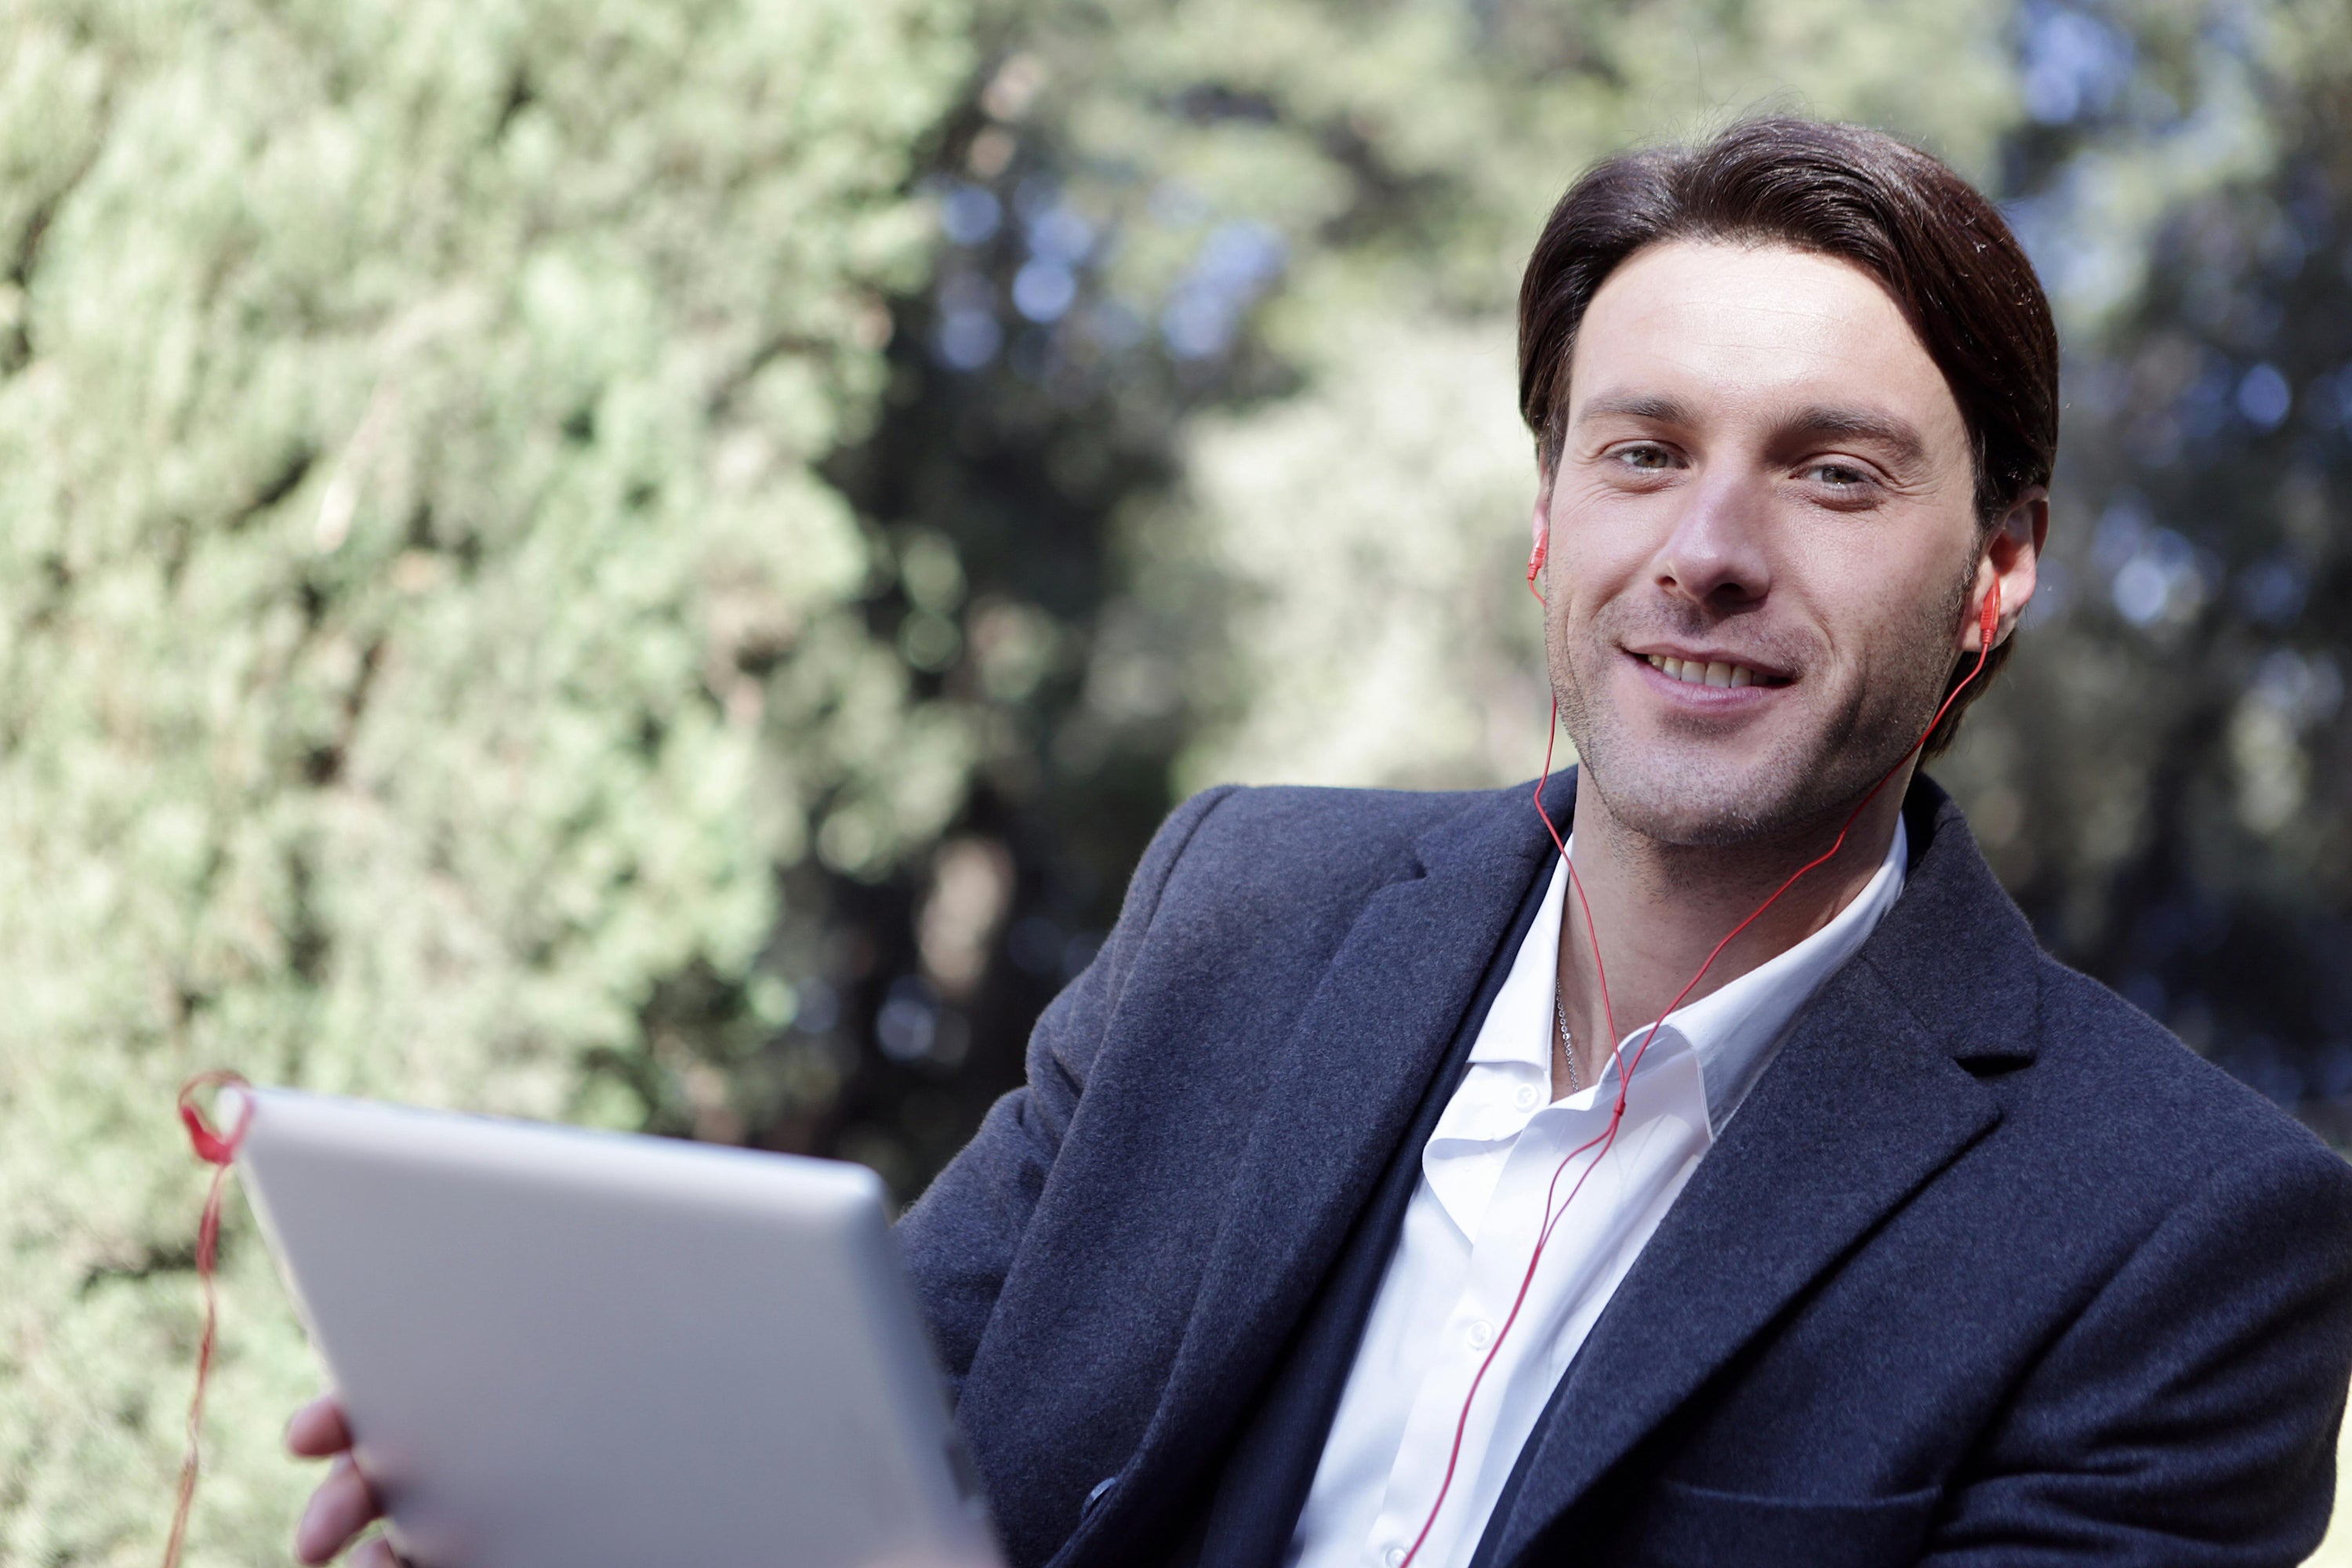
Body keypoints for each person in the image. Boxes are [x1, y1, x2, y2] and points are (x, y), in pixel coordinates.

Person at [286, 118, 2352, 1568]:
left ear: (1994, 576)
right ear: (1552, 529)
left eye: (1832, 474)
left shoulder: (2184, 1242)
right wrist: (595, 1508)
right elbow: (874, 1446)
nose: (1706, 553)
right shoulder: (1239, 909)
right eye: (1643, 454)